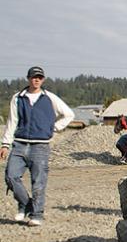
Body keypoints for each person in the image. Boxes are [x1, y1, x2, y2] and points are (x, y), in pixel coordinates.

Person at [1, 66, 74, 226]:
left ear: (43, 80)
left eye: (39, 77)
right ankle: (26, 204)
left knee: (38, 182)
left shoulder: (49, 98)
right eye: (34, 77)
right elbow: (11, 122)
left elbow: (69, 114)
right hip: (19, 144)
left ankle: (37, 215)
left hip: (40, 146)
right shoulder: (18, 98)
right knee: (11, 177)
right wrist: (5, 143)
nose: (36, 80)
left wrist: (53, 128)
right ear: (28, 78)